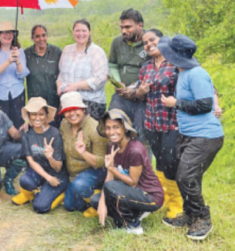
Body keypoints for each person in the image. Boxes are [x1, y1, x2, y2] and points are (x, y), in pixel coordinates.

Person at [158, 35, 224, 240]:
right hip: (188, 134)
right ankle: (190, 214)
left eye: (168, 53)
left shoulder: (196, 74)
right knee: (188, 176)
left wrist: (175, 103)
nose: (165, 55)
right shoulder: (182, 72)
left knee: (185, 177)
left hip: (205, 136)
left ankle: (203, 218)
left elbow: (205, 105)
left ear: (176, 56)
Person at [118, 29, 183, 219]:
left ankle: (177, 204)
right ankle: (163, 197)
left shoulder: (176, 63)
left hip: (171, 123)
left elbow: (193, 86)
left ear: (162, 40)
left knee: (171, 163)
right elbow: (138, 93)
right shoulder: (146, 67)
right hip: (151, 123)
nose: (148, 45)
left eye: (152, 40)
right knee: (160, 162)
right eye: (145, 43)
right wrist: (140, 91)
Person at [92, 109, 164, 235]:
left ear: (125, 128)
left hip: (150, 195)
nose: (111, 132)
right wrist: (102, 203)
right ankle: (135, 214)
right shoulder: (112, 146)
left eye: (116, 127)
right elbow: (109, 176)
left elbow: (132, 182)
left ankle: (133, 226)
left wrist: (112, 168)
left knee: (111, 188)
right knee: (96, 200)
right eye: (108, 128)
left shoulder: (135, 150)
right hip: (132, 192)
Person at [11, 97, 68, 214]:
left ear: (46, 115)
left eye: (41, 114)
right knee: (25, 180)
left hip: (56, 174)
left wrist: (50, 157)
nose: (37, 118)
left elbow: (58, 167)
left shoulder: (54, 133)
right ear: (29, 116)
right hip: (40, 172)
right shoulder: (27, 133)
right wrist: (48, 178)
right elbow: (31, 161)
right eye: (33, 114)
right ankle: (30, 194)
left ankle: (61, 194)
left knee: (40, 207)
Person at [59, 92, 110, 217]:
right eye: (67, 110)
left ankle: (98, 200)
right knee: (70, 206)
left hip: (94, 172)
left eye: (75, 109)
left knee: (79, 185)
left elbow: (102, 162)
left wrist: (84, 153)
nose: (71, 114)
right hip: (73, 174)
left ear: (83, 109)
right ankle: (83, 196)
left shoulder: (95, 129)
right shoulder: (64, 124)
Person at [109, 9, 149, 142]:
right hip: (121, 96)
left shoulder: (150, 42)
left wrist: (136, 90)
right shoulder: (117, 42)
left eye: (128, 27)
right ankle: (118, 161)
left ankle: (142, 162)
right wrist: (117, 82)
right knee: (114, 128)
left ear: (140, 25)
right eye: (121, 27)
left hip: (143, 98)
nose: (123, 31)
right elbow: (113, 65)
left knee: (140, 136)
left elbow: (155, 70)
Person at [57, 19, 109, 120]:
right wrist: (59, 85)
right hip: (68, 101)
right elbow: (61, 73)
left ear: (89, 32)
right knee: (67, 133)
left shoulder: (96, 51)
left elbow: (101, 78)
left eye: (84, 31)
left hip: (90, 102)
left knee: (87, 133)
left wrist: (77, 86)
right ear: (73, 32)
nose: (80, 34)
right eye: (77, 30)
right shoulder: (67, 50)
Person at [0, 21, 30, 128]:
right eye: (4, 33)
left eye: (10, 32)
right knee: (0, 125)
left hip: (17, 93)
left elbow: (22, 74)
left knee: (18, 124)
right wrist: (8, 62)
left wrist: (17, 60)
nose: (8, 35)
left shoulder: (19, 51)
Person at [24, 25, 62, 127]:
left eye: (43, 35)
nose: (41, 39)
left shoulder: (56, 52)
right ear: (32, 38)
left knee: (54, 132)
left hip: (54, 103)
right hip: (35, 104)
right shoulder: (26, 54)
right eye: (37, 36)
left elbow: (63, 74)